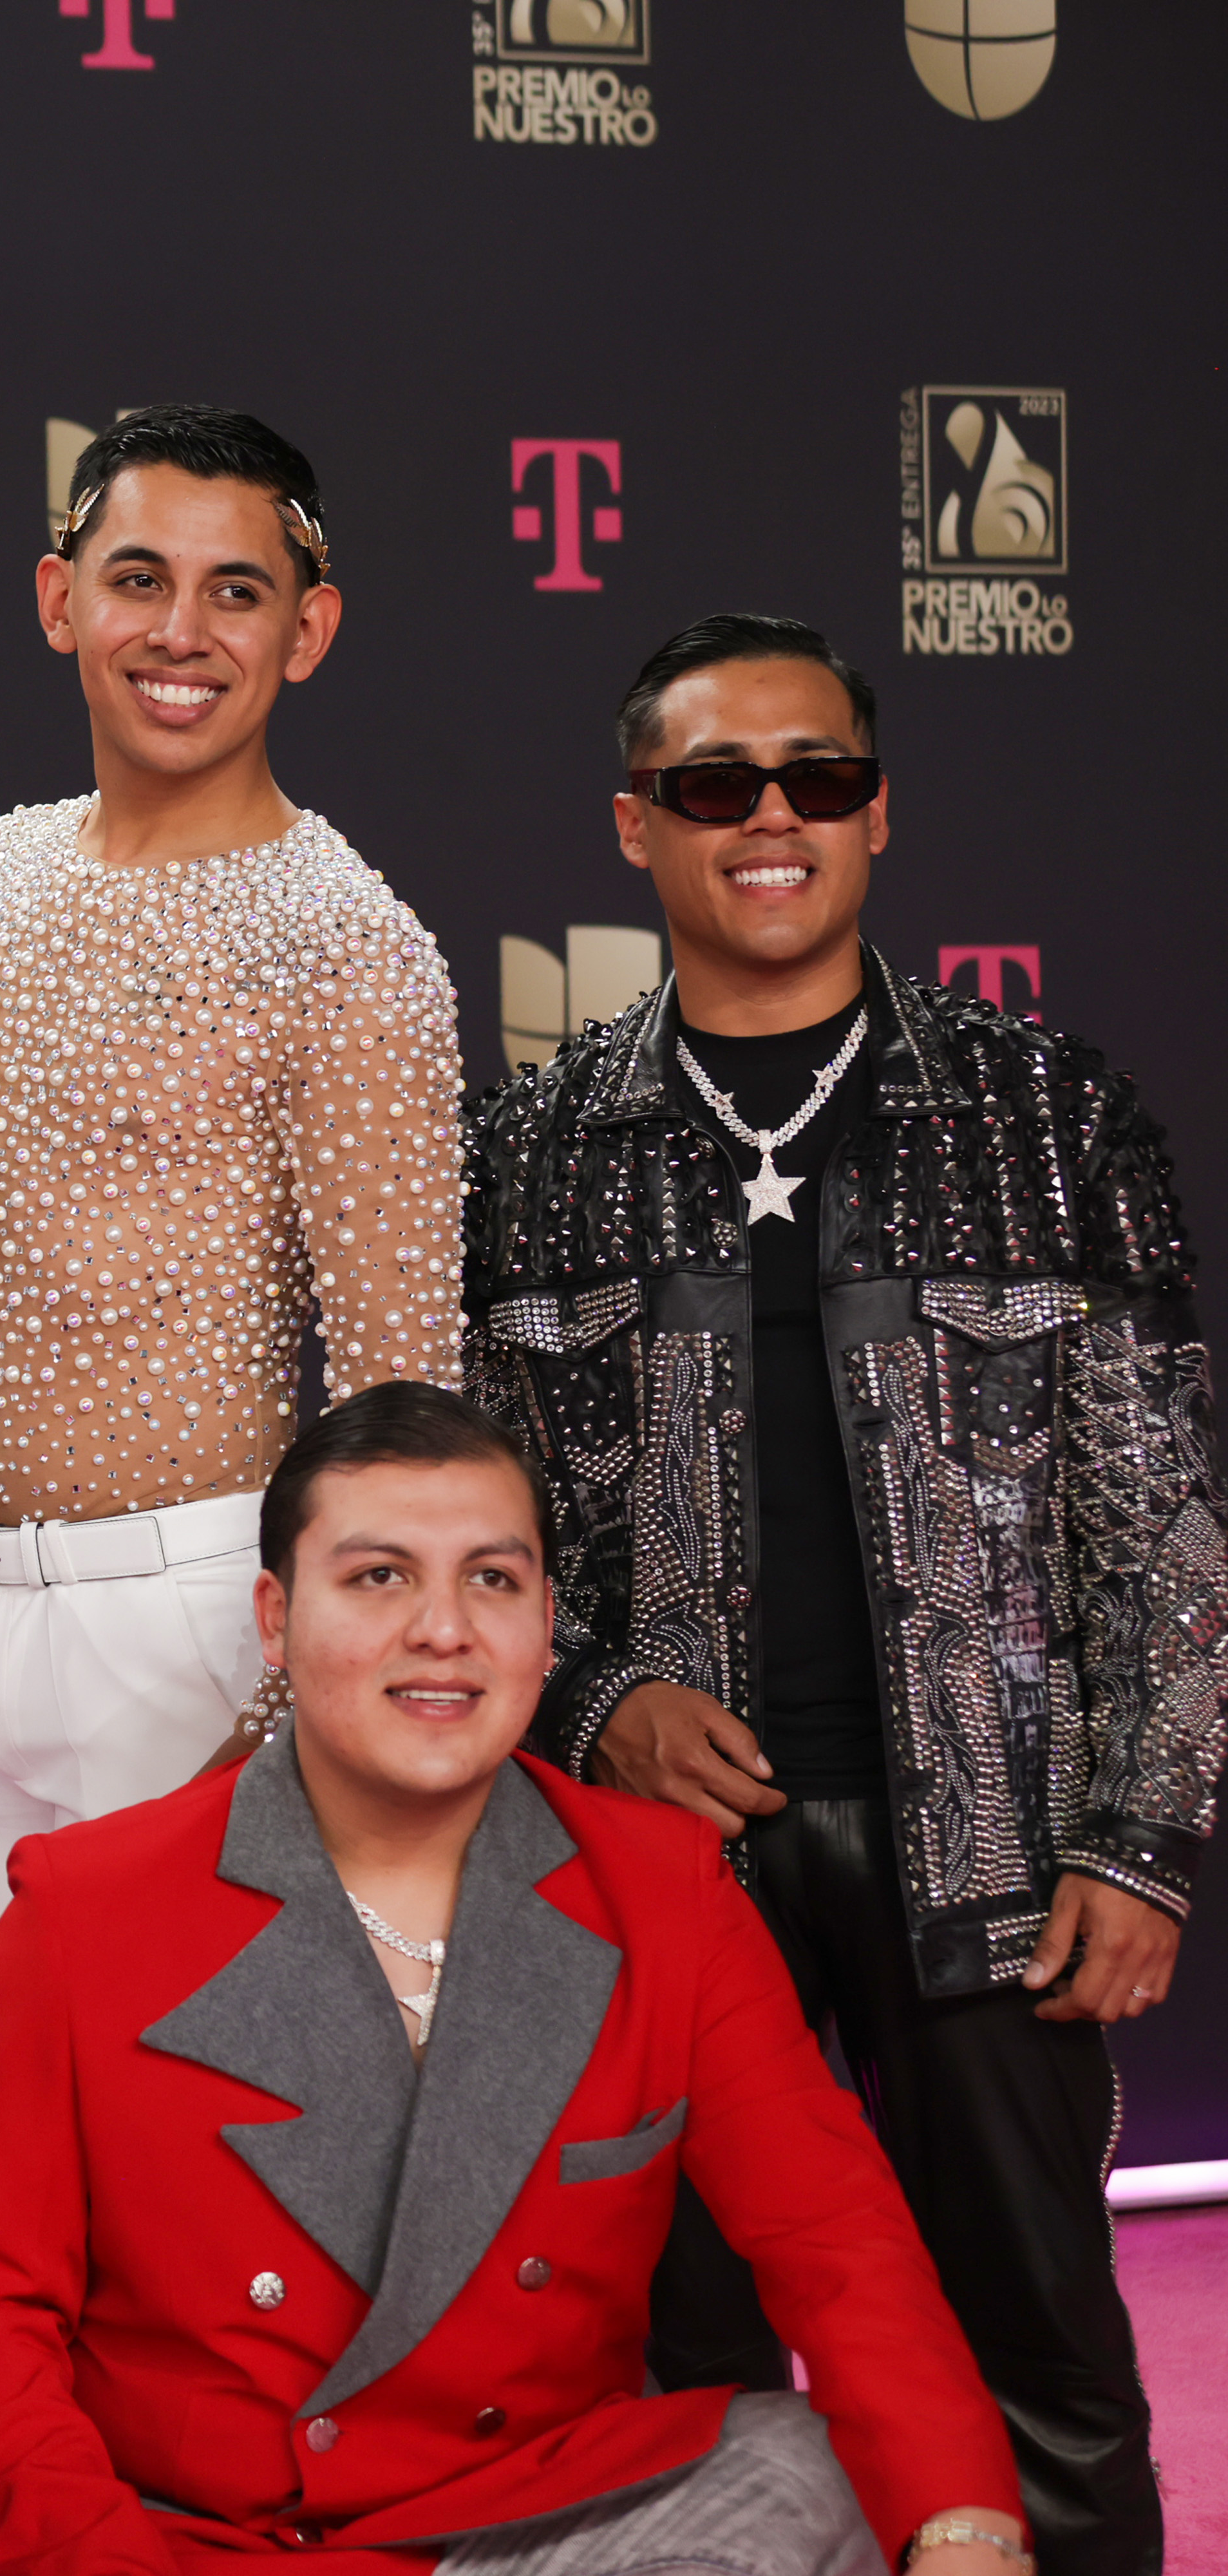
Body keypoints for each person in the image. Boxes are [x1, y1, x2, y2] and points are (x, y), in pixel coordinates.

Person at [463, 612, 1216, 2575]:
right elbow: (472, 1524)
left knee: (1040, 2362)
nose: (770, 818)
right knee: (678, 2374)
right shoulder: (530, 1154)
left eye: (818, 778)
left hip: (997, 1860)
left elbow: (1170, 1522)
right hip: (660, 1871)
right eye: (716, 786)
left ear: (880, 810)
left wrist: (1142, 1843)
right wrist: (585, 1701)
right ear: (637, 826)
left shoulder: (1048, 1115)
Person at [0, 1382, 1033, 2575]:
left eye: (492, 1579)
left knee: (824, 2468)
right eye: (378, 1577)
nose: (444, 1629)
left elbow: (838, 2244)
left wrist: (966, 2530)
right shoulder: (89, 1905)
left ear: (546, 1624)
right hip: (223, 2546)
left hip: (543, 2520)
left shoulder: (663, 1888)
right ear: (275, 1619)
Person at [0, 403, 464, 2080]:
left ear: (308, 631)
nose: (180, 634)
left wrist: (297, 1708)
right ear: (59, 600)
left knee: (194, 2156)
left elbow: (397, 1390)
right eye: (138, 580)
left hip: (204, 1630)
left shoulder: (348, 945)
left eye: (235, 592)